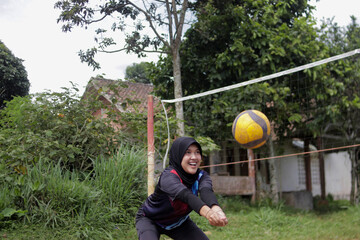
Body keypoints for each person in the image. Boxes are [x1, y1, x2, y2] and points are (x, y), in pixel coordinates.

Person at [135, 136, 228, 240]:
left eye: (197, 152)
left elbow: (206, 191)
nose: (194, 157)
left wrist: (216, 209)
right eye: (188, 152)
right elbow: (186, 195)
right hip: (150, 219)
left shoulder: (202, 176)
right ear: (178, 155)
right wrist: (209, 214)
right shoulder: (168, 177)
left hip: (179, 223)